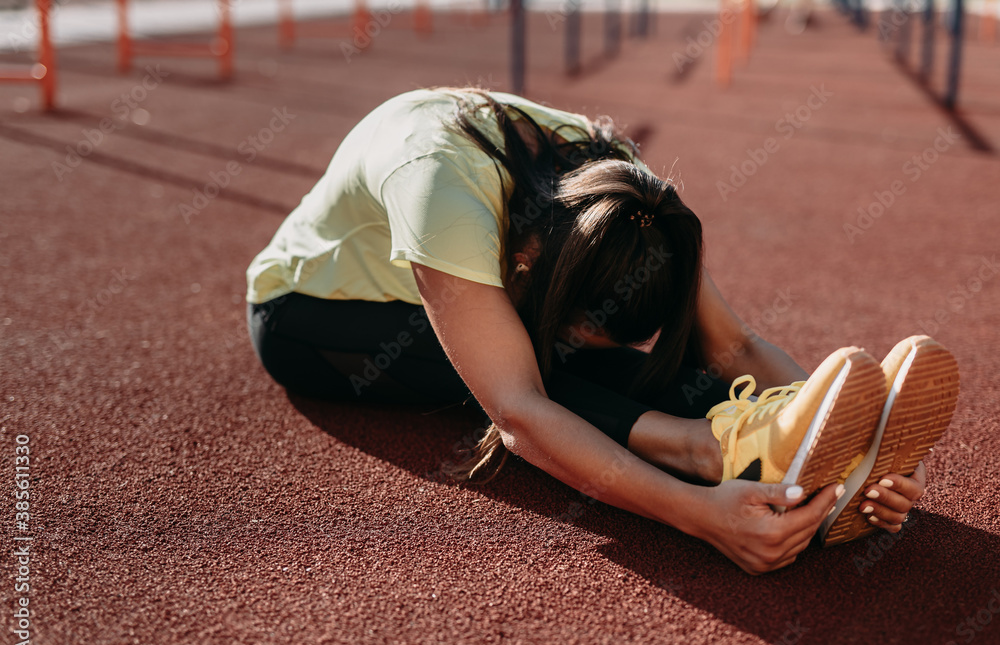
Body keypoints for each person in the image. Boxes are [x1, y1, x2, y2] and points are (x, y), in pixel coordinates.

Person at [245, 87, 958, 574]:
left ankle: (767, 438)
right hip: (315, 319)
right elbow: (520, 413)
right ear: (527, 259)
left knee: (612, 362)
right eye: (592, 324)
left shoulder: (628, 195)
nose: (605, 344)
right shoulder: (442, 192)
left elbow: (733, 344)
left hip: (497, 274)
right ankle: (714, 450)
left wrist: (855, 436)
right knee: (539, 368)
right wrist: (699, 513)